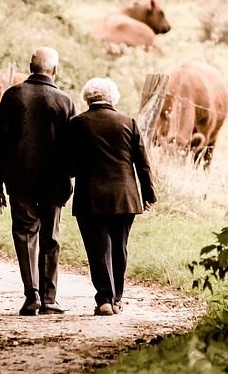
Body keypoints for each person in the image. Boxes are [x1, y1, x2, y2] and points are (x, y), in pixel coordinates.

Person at [0, 46, 75, 316]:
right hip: (54, 182)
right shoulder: (64, 101)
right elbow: (72, 148)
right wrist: (69, 177)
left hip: (20, 180)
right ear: (55, 71)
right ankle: (50, 299)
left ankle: (32, 294)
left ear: (30, 66)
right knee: (50, 237)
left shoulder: (13, 96)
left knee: (25, 234)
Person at [68, 77, 156, 316]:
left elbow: (70, 165)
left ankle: (104, 300)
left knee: (98, 249)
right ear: (112, 97)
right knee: (120, 247)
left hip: (90, 198)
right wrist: (148, 194)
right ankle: (117, 298)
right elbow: (143, 164)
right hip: (125, 197)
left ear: (88, 97)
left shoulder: (77, 124)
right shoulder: (129, 123)